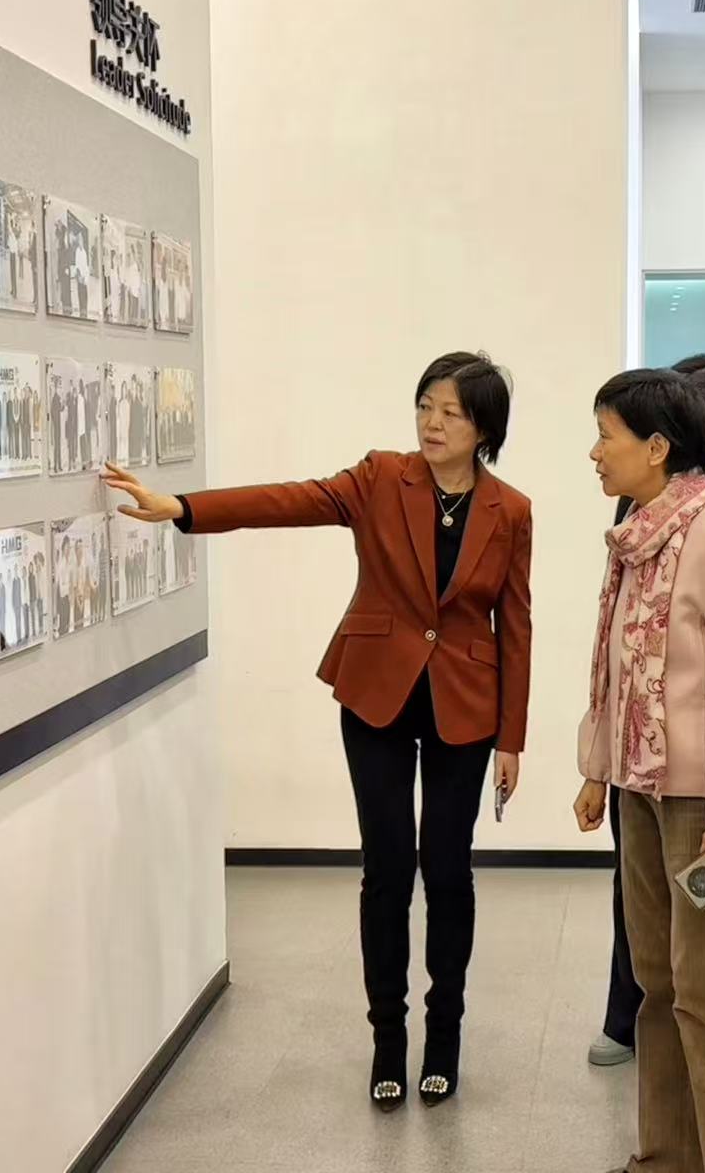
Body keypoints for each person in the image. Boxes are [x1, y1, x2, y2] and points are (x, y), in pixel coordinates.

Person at [104, 351, 531, 1114]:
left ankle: (444, 1038)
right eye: (424, 406)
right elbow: (289, 500)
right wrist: (182, 508)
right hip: (374, 695)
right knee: (387, 870)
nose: (431, 423)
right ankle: (387, 1041)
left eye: (450, 413)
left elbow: (516, 625)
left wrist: (512, 737)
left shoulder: (511, 510)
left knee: (448, 872)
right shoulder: (380, 477)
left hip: (466, 705)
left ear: (484, 429)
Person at [573, 368, 705, 1173]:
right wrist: (598, 768)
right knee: (656, 985)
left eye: (607, 436)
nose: (595, 453)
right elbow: (617, 664)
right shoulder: (639, 528)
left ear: (656, 447)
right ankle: (665, 1158)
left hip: (702, 804)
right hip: (642, 789)